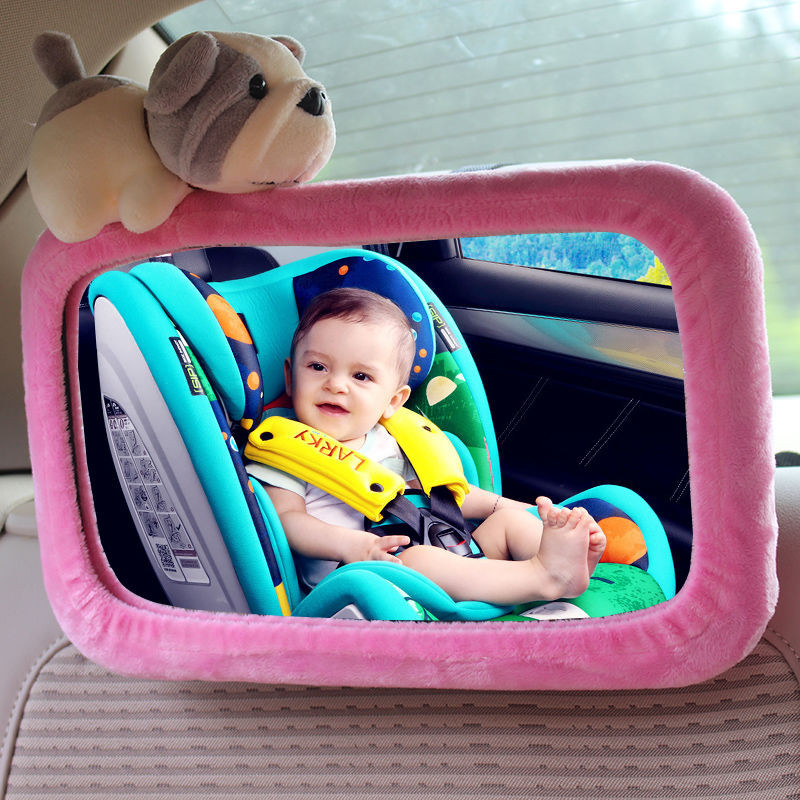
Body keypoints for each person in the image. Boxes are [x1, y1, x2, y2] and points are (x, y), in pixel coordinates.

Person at [247, 287, 606, 606]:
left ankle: (569, 563)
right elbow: (287, 521)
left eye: (361, 376)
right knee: (417, 560)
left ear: (393, 400)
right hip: (369, 580)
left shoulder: (394, 440)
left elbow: (446, 496)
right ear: (290, 378)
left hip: (452, 550)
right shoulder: (283, 454)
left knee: (509, 522)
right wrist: (352, 545)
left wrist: (533, 512)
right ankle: (543, 577)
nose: (336, 385)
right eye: (318, 366)